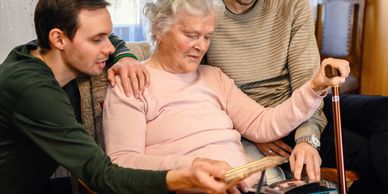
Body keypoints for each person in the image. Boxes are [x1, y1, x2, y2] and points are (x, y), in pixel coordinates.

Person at [108, 0, 388, 192]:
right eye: (192, 35)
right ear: (159, 29)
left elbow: (266, 120)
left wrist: (315, 88)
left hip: (269, 158)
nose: (200, 46)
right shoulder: (133, 83)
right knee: (364, 152)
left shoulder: (212, 76)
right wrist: (189, 168)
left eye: (207, 37)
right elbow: (122, 162)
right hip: (205, 179)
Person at [0, 0, 243, 193]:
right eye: (97, 39)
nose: (109, 48)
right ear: (59, 38)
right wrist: (184, 175)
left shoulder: (38, 50)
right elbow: (101, 175)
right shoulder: (33, 90)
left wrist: (125, 56)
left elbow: (112, 41)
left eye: (107, 36)